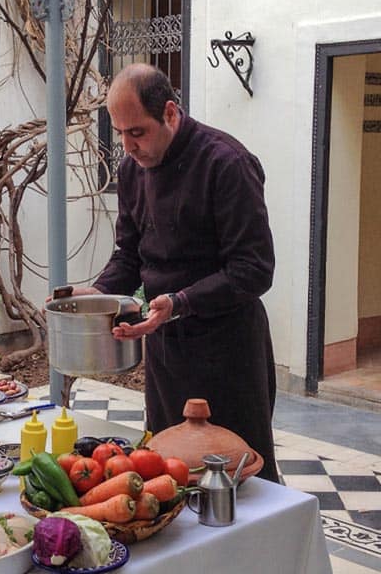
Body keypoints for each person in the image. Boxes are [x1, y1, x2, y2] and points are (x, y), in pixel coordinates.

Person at [73, 63, 279, 482]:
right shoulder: (133, 171)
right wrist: (96, 294)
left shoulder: (226, 163)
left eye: (138, 132)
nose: (128, 147)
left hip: (228, 350)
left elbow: (254, 269)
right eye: (120, 134)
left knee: (240, 474)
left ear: (169, 113)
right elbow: (129, 256)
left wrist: (181, 302)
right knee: (166, 472)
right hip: (167, 350)